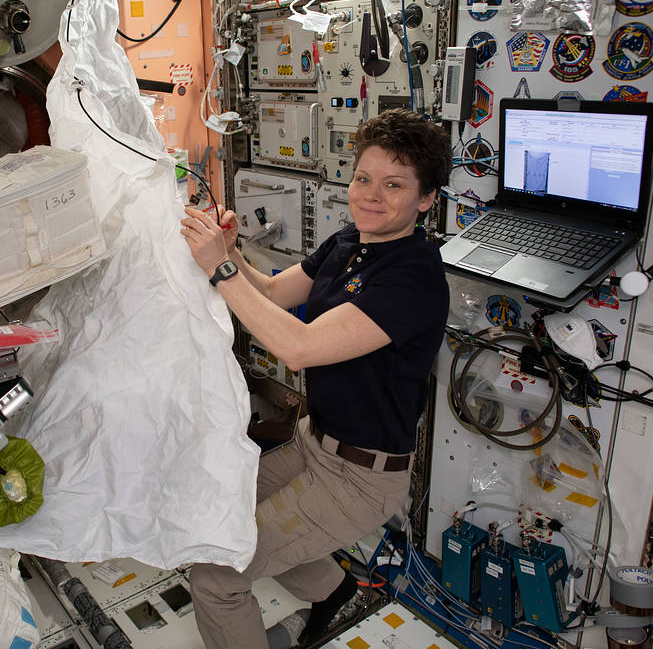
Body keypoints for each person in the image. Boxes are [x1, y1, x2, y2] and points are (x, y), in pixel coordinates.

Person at [179, 108, 451, 649]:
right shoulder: (351, 242)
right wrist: (231, 249)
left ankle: (321, 583)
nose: (370, 195)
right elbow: (276, 293)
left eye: (393, 185)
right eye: (363, 179)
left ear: (426, 200)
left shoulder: (414, 277)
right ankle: (333, 587)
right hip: (313, 443)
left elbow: (299, 348)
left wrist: (219, 268)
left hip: (360, 478)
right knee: (212, 518)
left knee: (215, 577)